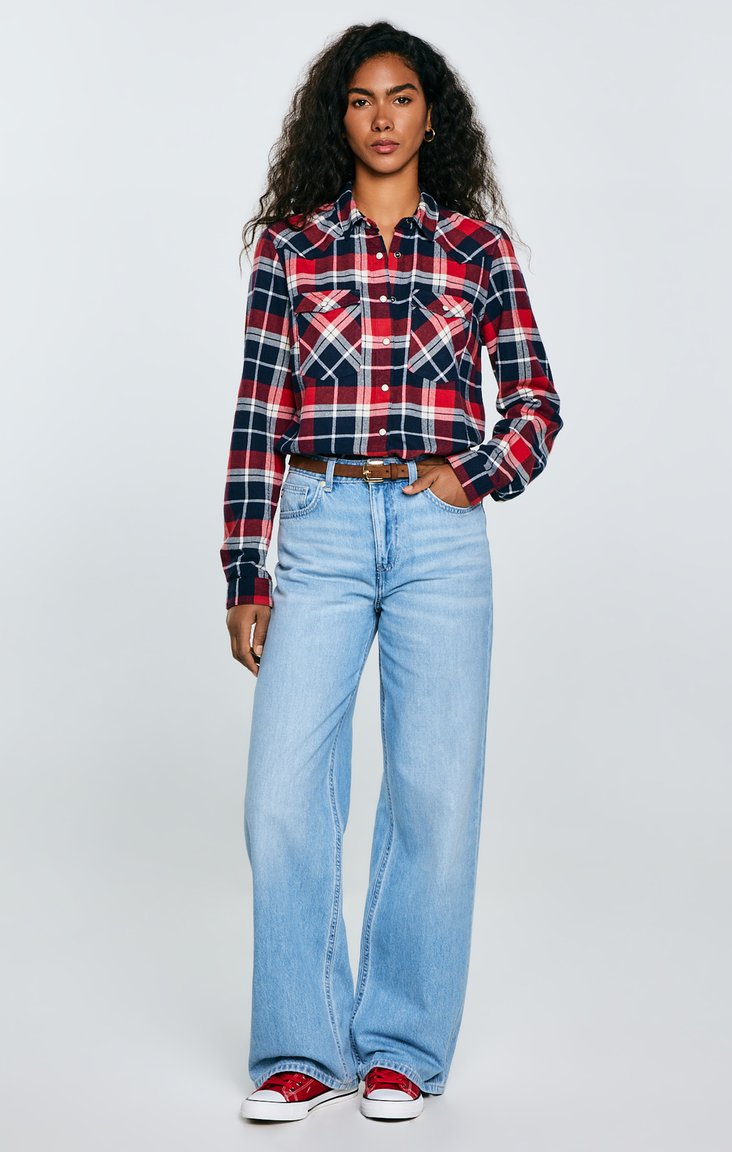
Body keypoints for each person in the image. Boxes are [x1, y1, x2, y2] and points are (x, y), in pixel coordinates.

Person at [221, 21, 563, 1124]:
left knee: (434, 795)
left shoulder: (477, 249)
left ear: (430, 115)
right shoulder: (291, 249)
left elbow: (535, 400)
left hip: (436, 537)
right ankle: (300, 1047)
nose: (381, 117)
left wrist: (474, 475)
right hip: (318, 529)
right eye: (362, 98)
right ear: (339, 117)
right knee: (282, 795)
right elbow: (260, 412)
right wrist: (245, 569)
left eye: (401, 97)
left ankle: (401, 1050)